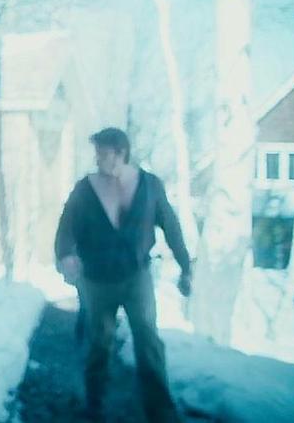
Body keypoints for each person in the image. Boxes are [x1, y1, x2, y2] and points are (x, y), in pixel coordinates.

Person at [54, 128, 191, 423]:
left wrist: (185, 266)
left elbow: (171, 226)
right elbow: (65, 229)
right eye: (97, 152)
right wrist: (65, 257)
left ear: (120, 153)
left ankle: (162, 413)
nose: (98, 158)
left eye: (103, 152)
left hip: (136, 278)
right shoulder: (85, 189)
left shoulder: (149, 186)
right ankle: (95, 408)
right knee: (98, 343)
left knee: (148, 341)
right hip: (96, 280)